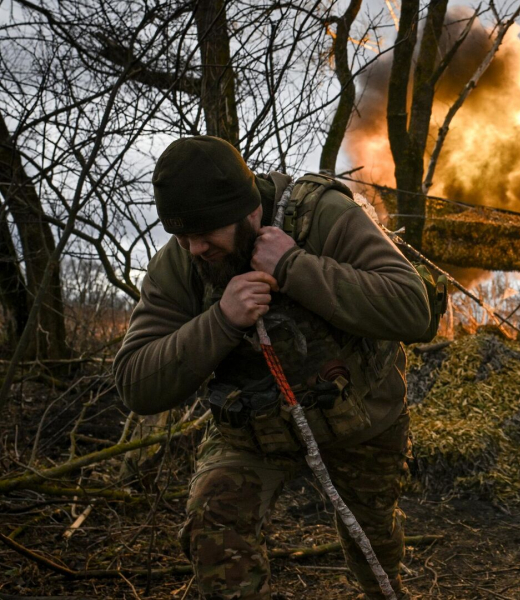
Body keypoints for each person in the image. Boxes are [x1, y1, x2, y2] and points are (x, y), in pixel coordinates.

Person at [114, 135, 431, 600]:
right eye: (182, 236)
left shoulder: (323, 215)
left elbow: (412, 309)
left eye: (206, 233)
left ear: (248, 211)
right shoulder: (183, 262)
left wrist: (294, 266)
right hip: (254, 431)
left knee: (374, 544)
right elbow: (135, 384)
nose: (195, 248)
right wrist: (221, 320)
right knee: (214, 524)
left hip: (360, 416)